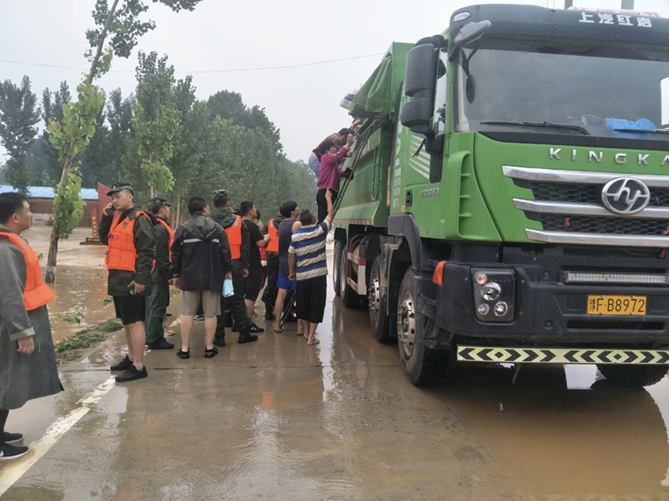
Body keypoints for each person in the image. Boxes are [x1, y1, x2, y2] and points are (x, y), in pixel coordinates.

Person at [0, 193, 62, 460]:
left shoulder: (12, 243)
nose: (31, 214)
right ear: (14, 218)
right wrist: (22, 332)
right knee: (6, 382)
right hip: (8, 327)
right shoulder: (5, 248)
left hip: (12, 324)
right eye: (28, 210)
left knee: (8, 380)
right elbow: (9, 294)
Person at [99, 182, 154, 382]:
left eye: (118, 196)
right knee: (127, 322)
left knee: (135, 322)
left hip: (132, 279)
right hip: (118, 278)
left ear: (130, 197)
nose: (114, 200)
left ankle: (139, 366)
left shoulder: (139, 218)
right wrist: (106, 216)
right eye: (112, 197)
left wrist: (141, 279)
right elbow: (106, 239)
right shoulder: (118, 218)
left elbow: (147, 251)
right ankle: (131, 358)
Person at [171, 197, 233, 359]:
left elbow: (176, 254)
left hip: (189, 276)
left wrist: (176, 274)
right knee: (211, 314)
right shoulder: (218, 229)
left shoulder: (183, 229)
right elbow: (226, 253)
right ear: (205, 208)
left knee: (187, 313)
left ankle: (184, 349)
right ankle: (209, 348)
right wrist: (228, 271)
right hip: (212, 276)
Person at [210, 190, 258, 346]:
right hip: (234, 265)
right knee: (236, 299)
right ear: (228, 203)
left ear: (213, 204)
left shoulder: (208, 222)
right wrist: (245, 266)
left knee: (218, 301)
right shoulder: (238, 222)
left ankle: (219, 337)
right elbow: (245, 248)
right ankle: (244, 332)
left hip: (215, 266)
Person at [288, 190, 334, 345]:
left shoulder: (295, 236)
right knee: (316, 305)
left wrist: (291, 272)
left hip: (302, 277)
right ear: (314, 219)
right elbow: (330, 215)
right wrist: (328, 199)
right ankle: (311, 337)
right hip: (318, 277)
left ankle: (306, 332)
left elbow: (291, 255)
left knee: (303, 305)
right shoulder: (320, 231)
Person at [144, 196, 175, 350]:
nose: (169, 211)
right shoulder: (160, 229)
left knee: (150, 305)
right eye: (168, 208)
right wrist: (169, 274)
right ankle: (154, 338)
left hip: (150, 270)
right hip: (158, 272)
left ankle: (149, 334)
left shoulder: (151, 225)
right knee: (157, 305)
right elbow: (161, 255)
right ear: (162, 209)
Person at [272, 201, 303, 335]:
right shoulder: (296, 225)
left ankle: (277, 324)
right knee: (300, 295)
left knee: (281, 294)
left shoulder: (282, 224)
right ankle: (300, 328)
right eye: (296, 207)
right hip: (295, 264)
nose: (298, 208)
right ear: (292, 211)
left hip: (283, 262)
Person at [240, 201, 269, 333]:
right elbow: (260, 243)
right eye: (254, 207)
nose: (256, 210)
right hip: (252, 263)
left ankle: (239, 321)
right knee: (250, 295)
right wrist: (268, 237)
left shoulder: (237, 224)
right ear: (250, 210)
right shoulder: (252, 226)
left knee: (240, 293)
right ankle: (248, 323)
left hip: (238, 262)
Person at [316, 134, 353, 222]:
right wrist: (347, 144)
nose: (336, 148)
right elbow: (338, 156)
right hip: (326, 191)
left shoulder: (333, 163)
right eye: (333, 147)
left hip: (331, 190)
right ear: (327, 149)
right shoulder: (326, 157)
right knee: (325, 216)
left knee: (329, 216)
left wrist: (344, 174)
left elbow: (337, 173)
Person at [261, 208, 283, 321]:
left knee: (272, 283)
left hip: (271, 256)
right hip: (285, 255)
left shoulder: (270, 222)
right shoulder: (291, 223)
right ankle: (287, 311)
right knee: (286, 284)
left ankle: (269, 311)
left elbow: (263, 237)